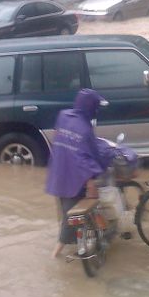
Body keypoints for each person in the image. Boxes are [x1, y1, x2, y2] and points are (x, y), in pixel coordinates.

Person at [45, 88, 111, 259]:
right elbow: (87, 156)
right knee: (72, 215)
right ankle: (56, 254)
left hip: (58, 171)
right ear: (91, 108)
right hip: (74, 178)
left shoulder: (63, 116)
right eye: (96, 107)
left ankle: (73, 241)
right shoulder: (85, 129)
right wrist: (92, 178)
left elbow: (62, 140)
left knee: (66, 212)